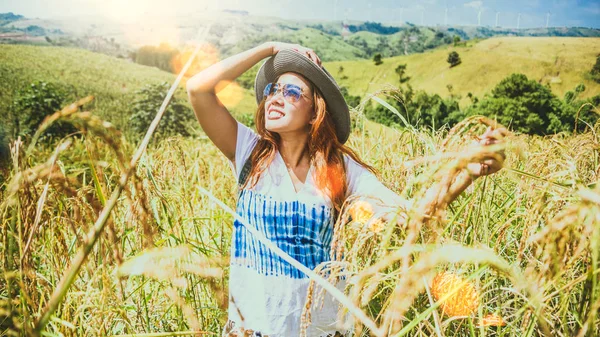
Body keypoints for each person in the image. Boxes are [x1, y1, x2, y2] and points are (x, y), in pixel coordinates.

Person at [186, 42, 504, 337]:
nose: (276, 97)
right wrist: (270, 47)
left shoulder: (341, 170)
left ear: (315, 112)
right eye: (273, 89)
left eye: (292, 92)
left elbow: (408, 218)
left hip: (322, 331)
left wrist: (468, 170)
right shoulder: (251, 154)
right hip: (248, 330)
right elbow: (198, 89)